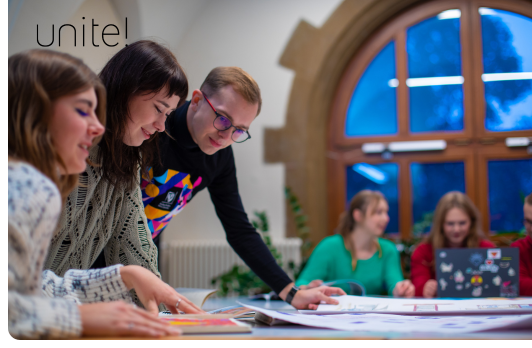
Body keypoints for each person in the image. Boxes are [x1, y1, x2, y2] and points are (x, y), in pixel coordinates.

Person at [8, 49, 201, 339]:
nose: (98, 126)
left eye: (169, 114)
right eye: (84, 110)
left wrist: (131, 279)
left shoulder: (123, 164)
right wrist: (79, 316)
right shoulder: (30, 184)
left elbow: (33, 288)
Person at [139, 66, 345, 309]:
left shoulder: (220, 157)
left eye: (239, 130)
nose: (226, 136)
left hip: (143, 257)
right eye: (223, 119)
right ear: (196, 100)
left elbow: (239, 229)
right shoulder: (156, 125)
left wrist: (291, 293)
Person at [44, 40, 190, 290]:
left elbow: (136, 250)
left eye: (167, 115)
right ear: (126, 89)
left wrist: (162, 305)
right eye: (158, 109)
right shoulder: (60, 147)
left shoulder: (127, 161)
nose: (160, 126)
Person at [295, 190, 415, 297]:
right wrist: (308, 288)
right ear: (358, 215)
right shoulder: (329, 246)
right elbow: (301, 284)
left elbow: (394, 285)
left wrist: (402, 289)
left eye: (386, 212)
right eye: (378, 212)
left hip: (371, 318)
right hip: (333, 316)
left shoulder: (388, 249)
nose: (386, 218)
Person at [411, 191, 495, 298]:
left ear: (472, 222)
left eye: (462, 223)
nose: (456, 229)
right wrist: (425, 288)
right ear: (440, 224)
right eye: (450, 224)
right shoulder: (423, 252)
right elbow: (418, 286)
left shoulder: (487, 249)